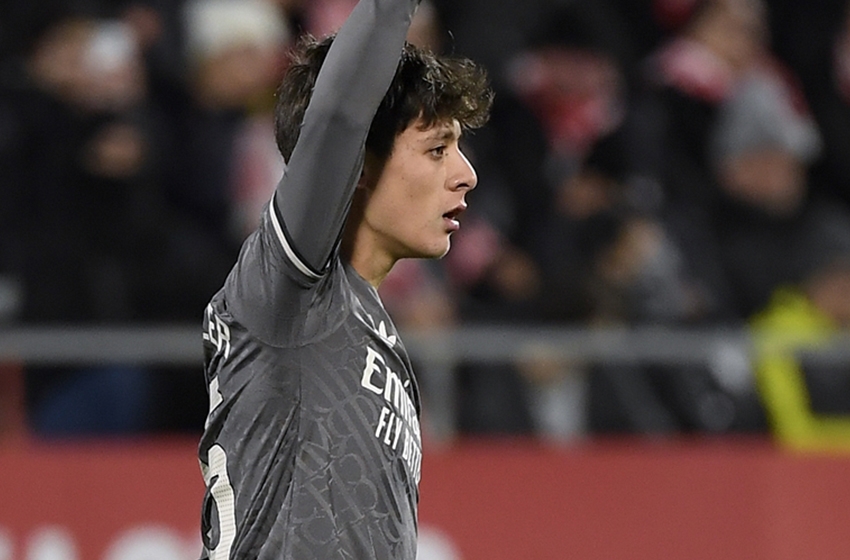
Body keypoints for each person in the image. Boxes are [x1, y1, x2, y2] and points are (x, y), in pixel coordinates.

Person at [197, 0, 492, 557]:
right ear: (355, 164)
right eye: (437, 150)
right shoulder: (290, 294)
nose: (466, 174)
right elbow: (339, 116)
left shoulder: (375, 333)